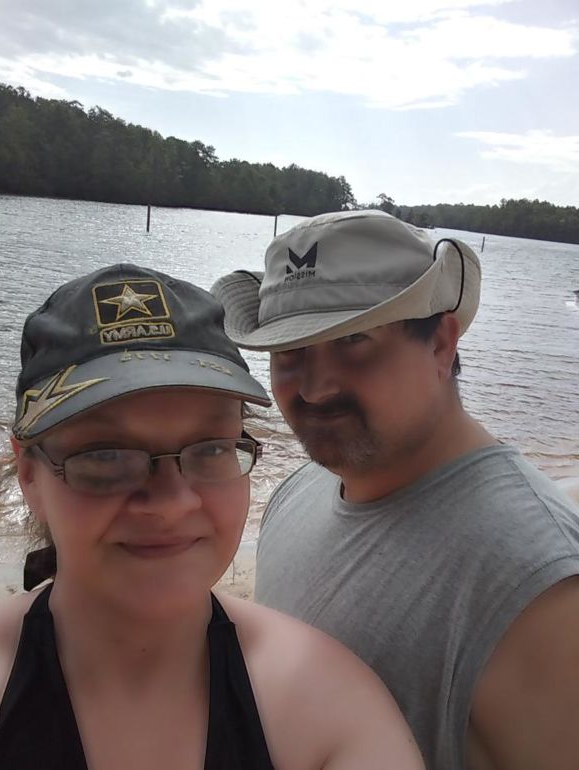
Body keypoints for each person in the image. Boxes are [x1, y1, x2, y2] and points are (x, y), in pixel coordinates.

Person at [0, 263, 424, 770]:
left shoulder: (327, 709)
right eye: (105, 455)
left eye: (212, 448)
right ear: (28, 475)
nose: (172, 503)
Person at [212, 210, 579, 770]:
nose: (315, 388)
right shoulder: (298, 490)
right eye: (291, 350)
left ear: (440, 344)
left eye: (353, 340)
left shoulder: (538, 586)